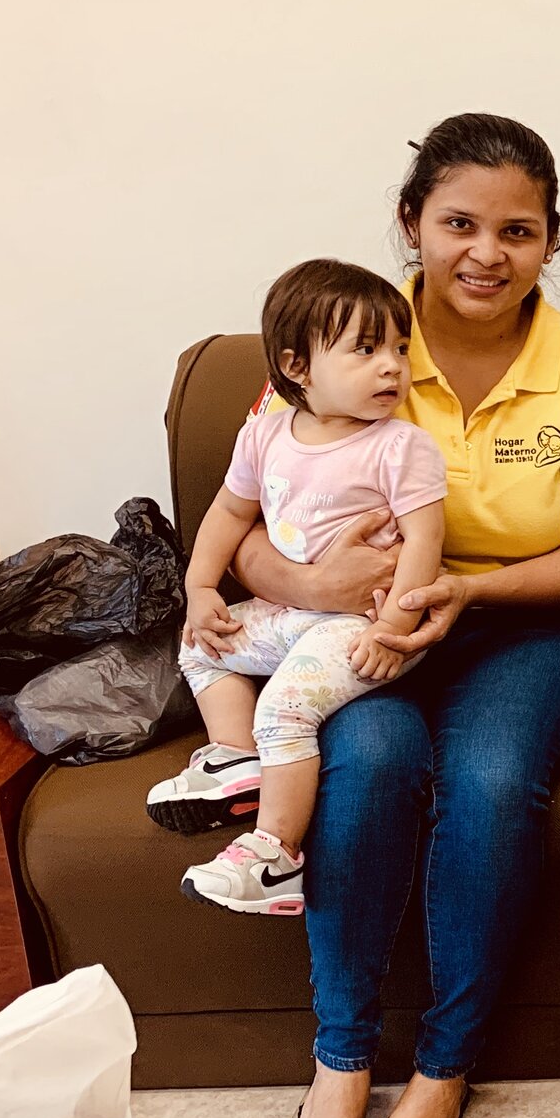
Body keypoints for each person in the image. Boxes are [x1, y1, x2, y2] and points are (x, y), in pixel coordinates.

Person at [232, 114, 560, 1118]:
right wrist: (317, 587)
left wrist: (462, 590)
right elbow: (248, 516)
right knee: (364, 765)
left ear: (552, 239)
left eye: (518, 230)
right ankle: (339, 1066)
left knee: (492, 778)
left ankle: (445, 1067)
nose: (485, 252)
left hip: (534, 623)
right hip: (357, 630)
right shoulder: (348, 334)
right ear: (411, 222)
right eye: (458, 223)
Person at [155, 260, 449, 915]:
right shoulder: (263, 435)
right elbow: (230, 513)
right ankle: (235, 761)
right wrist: (200, 587)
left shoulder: (401, 447)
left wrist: (394, 628)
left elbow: (425, 542)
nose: (392, 367)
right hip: (289, 609)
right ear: (297, 365)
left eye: (401, 349)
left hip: (364, 622)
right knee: (201, 644)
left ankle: (277, 854)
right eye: (366, 350)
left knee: (284, 707)